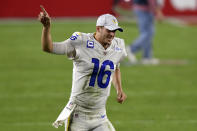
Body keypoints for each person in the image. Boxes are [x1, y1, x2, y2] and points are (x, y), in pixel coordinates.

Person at [38, 5, 127, 131]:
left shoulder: (118, 45)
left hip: (101, 116)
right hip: (78, 115)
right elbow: (49, 48)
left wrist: (119, 89)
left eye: (114, 31)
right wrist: (46, 28)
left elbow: (115, 66)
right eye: (109, 30)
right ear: (98, 28)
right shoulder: (81, 41)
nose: (112, 34)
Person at [126, 0, 163, 65]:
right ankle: (131, 49)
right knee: (147, 33)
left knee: (147, 32)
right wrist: (157, 11)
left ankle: (147, 57)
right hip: (145, 9)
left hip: (141, 7)